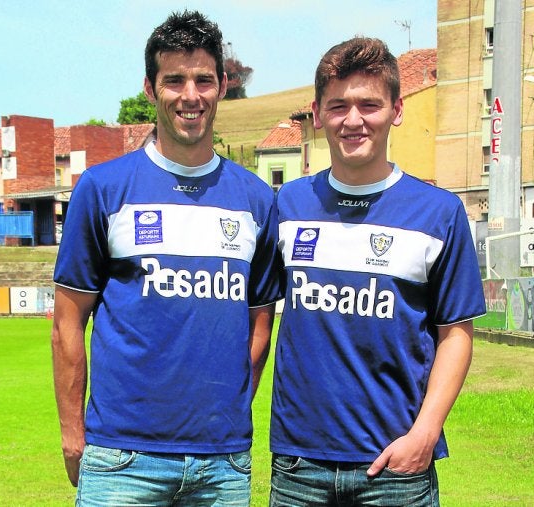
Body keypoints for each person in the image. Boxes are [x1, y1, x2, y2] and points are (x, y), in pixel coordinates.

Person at [51, 10, 279, 505]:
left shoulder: (258, 200)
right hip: (122, 459)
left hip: (223, 463)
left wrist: (228, 408)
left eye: (203, 79)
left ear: (222, 86)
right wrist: (73, 433)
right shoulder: (103, 189)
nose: (190, 95)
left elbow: (260, 323)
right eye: (174, 80)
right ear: (151, 89)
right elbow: (68, 321)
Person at [269, 37, 486, 506]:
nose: (353, 120)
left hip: (398, 469)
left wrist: (425, 434)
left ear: (396, 110)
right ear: (318, 112)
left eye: (369, 104)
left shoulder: (439, 213)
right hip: (299, 466)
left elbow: (456, 334)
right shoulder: (286, 206)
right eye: (338, 105)